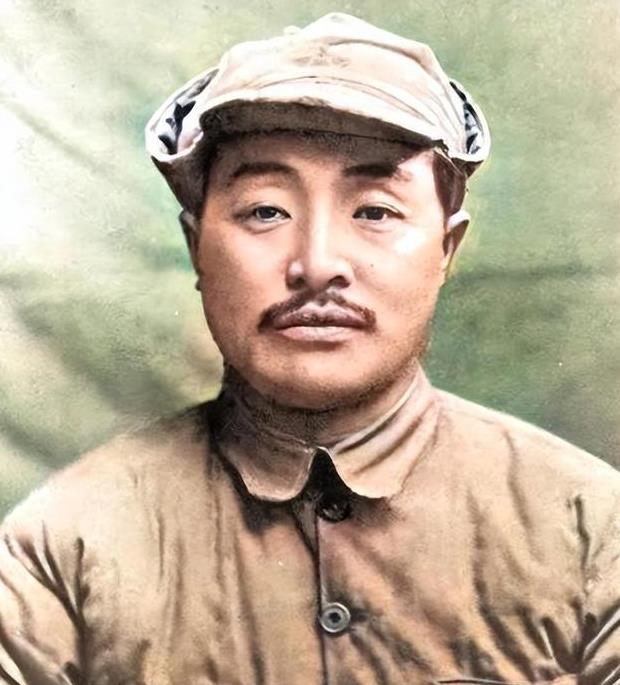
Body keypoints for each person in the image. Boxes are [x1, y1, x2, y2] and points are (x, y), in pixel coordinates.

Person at [0, 12, 618, 685]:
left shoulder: (595, 535)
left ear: (447, 247)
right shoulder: (59, 550)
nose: (318, 264)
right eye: (265, 210)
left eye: (374, 211)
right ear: (196, 245)